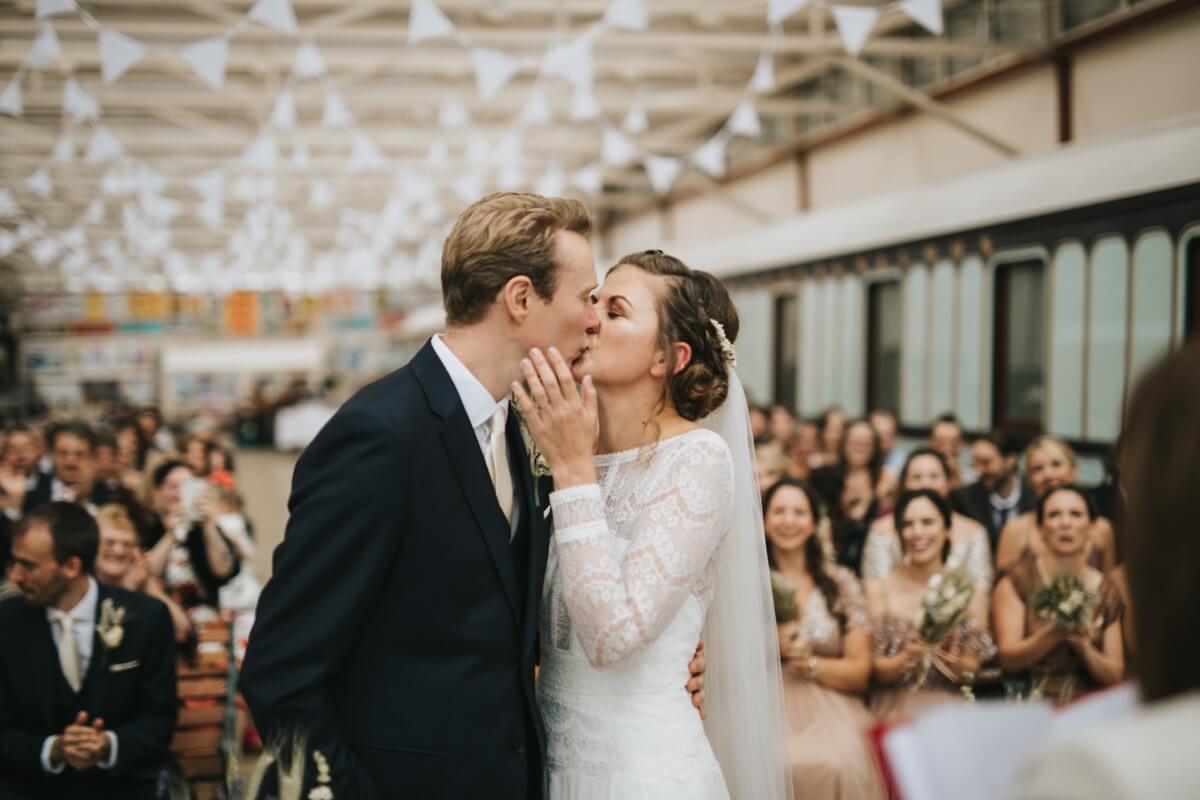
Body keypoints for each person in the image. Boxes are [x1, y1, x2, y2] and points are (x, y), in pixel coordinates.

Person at [240, 195, 706, 800]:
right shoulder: (380, 436)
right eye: (584, 297)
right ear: (520, 299)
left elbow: (505, 618)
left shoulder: (524, 426)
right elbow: (281, 672)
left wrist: (671, 662)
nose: (593, 320)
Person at [514, 248, 790, 800]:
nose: (591, 318)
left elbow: (614, 638)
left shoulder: (698, 460)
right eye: (593, 302)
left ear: (668, 358)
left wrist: (571, 475)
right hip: (550, 766)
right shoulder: (565, 447)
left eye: (614, 311)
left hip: (641, 777)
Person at [0, 502, 177, 799]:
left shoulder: (145, 618)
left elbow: (159, 720)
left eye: (28, 565)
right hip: (32, 788)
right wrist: (52, 750)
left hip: (123, 787)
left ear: (71, 567)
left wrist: (109, 744)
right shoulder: (6, 622)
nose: (15, 575)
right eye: (14, 562)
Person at [763, 479, 884, 800]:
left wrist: (812, 663)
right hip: (766, 700)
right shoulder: (749, 582)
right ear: (764, 520)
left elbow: (860, 671)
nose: (788, 521)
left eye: (799, 512)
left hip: (830, 699)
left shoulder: (841, 582)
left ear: (814, 523)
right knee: (772, 761)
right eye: (779, 512)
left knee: (842, 761)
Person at [865, 490, 994, 721]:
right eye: (908, 524)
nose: (917, 533)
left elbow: (970, 673)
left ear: (946, 529)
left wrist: (943, 654)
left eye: (927, 522)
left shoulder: (971, 592)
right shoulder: (878, 588)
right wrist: (906, 657)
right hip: (893, 708)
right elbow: (874, 671)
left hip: (950, 710)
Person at [993, 485, 1125, 704]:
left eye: (1076, 514)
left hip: (1089, 705)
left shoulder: (1106, 589)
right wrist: (1055, 633)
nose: (1066, 524)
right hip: (1032, 701)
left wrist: (1084, 648)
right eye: (1054, 515)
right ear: (1041, 528)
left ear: (1092, 526)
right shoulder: (1017, 579)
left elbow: (1116, 674)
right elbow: (1007, 658)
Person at [861, 448, 993, 622]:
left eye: (934, 476)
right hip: (896, 618)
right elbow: (876, 589)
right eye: (916, 477)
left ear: (948, 482)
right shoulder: (881, 529)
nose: (925, 484)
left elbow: (980, 590)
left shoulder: (974, 530)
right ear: (904, 483)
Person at [994, 436, 1116, 573]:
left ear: (1073, 469)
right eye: (1038, 469)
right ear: (1029, 479)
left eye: (1056, 464)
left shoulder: (1102, 529)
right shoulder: (1014, 530)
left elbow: (1111, 588)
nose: (1048, 474)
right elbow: (1001, 587)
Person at [142, 460, 239, 614]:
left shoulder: (204, 528)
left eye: (188, 487)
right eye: (174, 487)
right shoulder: (146, 526)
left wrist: (208, 525)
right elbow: (146, 574)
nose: (180, 494)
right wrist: (171, 535)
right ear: (156, 492)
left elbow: (224, 570)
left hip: (205, 618)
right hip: (157, 612)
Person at [94, 504, 192, 644]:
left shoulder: (144, 585)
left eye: (127, 544)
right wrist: (128, 592)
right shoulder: (86, 587)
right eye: (109, 543)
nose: (119, 551)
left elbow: (182, 631)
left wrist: (148, 585)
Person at [952, 430, 1037, 553]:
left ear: (1010, 460)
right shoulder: (964, 500)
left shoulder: (1034, 496)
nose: (978, 471)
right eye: (975, 463)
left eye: (986, 463)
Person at [929, 413, 975, 488]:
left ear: (962, 443)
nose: (947, 448)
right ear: (930, 442)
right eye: (941, 442)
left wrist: (956, 477)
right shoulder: (920, 471)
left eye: (953, 443)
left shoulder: (972, 475)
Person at [870, 409, 907, 476]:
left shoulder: (904, 463)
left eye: (887, 434)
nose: (881, 438)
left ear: (897, 437)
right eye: (877, 433)